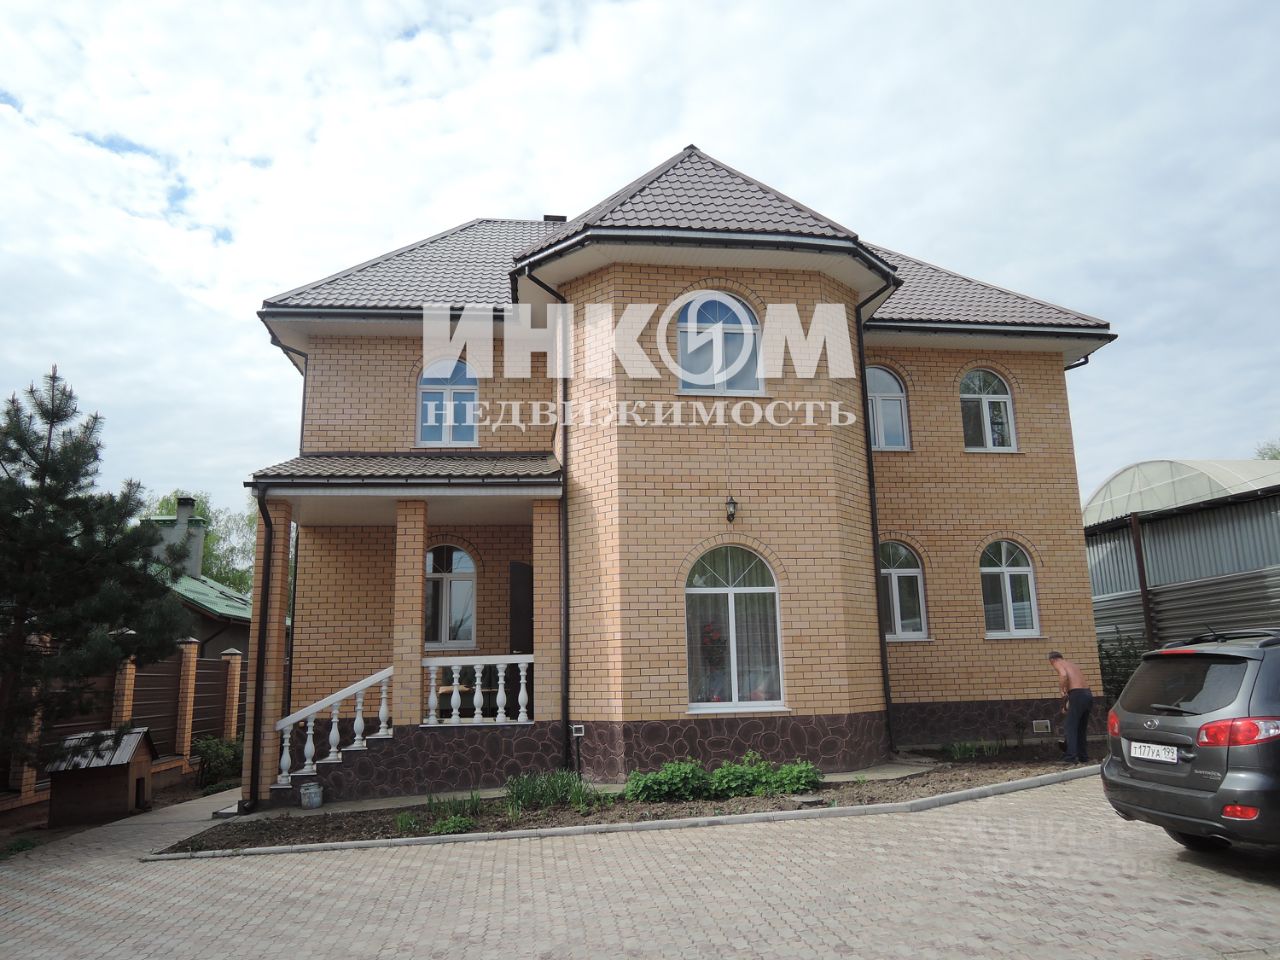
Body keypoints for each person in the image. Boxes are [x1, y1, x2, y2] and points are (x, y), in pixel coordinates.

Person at [1048, 651, 1093, 763]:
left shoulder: (1058, 663)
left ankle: (1070, 757)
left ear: (1052, 660)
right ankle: (1083, 757)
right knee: (1081, 728)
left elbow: (1063, 675)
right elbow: (1075, 686)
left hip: (1077, 695)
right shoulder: (1072, 665)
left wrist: (1061, 690)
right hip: (1087, 694)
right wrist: (1066, 703)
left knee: (1071, 727)